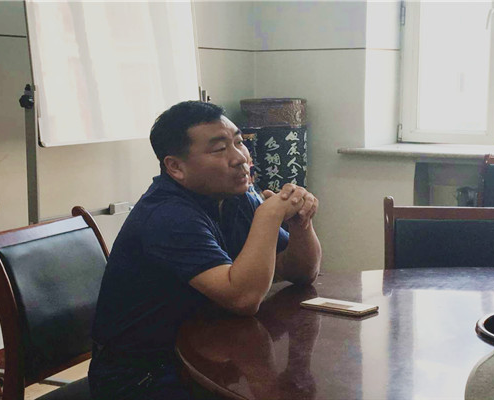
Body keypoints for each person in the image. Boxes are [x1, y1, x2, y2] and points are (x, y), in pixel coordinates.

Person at [88, 101, 322, 399]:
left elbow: (302, 273)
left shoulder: (237, 196)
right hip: (141, 376)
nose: (240, 158)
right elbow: (243, 299)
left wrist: (301, 225)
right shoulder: (168, 215)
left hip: (208, 354)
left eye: (239, 142)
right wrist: (269, 216)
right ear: (176, 167)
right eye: (219, 149)